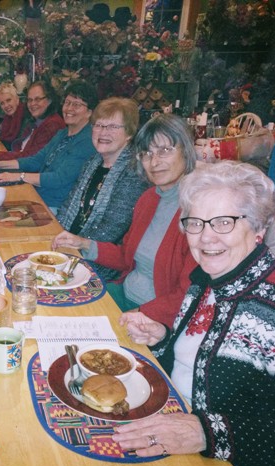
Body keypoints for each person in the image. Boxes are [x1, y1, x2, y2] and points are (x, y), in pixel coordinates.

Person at [113, 161, 275, 466]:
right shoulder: (205, 281)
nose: (205, 238)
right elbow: (193, 363)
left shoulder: (269, 306)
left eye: (223, 222)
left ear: (258, 229)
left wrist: (206, 433)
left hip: (230, 465)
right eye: (195, 223)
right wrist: (162, 338)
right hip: (169, 420)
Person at [52, 114, 198, 327]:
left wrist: (141, 313)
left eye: (165, 151)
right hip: (123, 294)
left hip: (154, 317)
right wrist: (83, 243)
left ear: (186, 150)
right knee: (53, 309)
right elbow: (126, 256)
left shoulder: (198, 210)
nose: (154, 162)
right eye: (147, 153)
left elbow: (190, 294)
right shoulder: (149, 198)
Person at [55, 97, 149, 280]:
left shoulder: (133, 172)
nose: (103, 132)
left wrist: (72, 248)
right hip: (71, 248)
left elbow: (111, 230)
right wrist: (57, 234)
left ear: (129, 133)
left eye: (113, 127)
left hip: (99, 264)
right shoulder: (93, 162)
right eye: (98, 125)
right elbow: (68, 205)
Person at [0, 80, 98, 212]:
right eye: (67, 103)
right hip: (37, 196)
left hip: (54, 207)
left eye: (76, 105)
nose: (69, 108)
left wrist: (19, 176)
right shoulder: (62, 133)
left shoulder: (87, 141)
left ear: (89, 112)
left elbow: (59, 178)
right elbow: (36, 160)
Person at [0, 80, 65, 164]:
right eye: (30, 100)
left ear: (49, 100)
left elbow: (30, 157)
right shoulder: (38, 120)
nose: (32, 104)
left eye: (37, 99)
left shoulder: (51, 124)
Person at [0, 81, 27, 150]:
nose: (6, 105)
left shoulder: (26, 118)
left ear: (17, 99)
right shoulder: (6, 120)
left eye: (8, 100)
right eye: (2, 103)